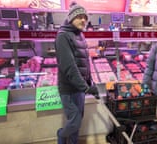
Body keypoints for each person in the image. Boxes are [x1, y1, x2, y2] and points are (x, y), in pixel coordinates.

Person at [54, 3, 99, 144]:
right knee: (75, 122)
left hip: (80, 88)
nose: (83, 20)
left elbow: (85, 62)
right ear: (71, 18)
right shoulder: (63, 36)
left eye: (85, 17)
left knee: (77, 122)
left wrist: (90, 83)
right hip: (68, 89)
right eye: (79, 17)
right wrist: (86, 87)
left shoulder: (80, 35)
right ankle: (61, 135)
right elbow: (69, 67)